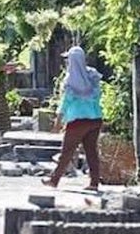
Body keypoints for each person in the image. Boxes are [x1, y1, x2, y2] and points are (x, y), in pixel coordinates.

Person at [44, 44, 103, 190]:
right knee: (91, 152)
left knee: (67, 152)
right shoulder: (93, 75)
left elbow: (65, 103)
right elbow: (97, 95)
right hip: (95, 119)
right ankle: (94, 183)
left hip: (77, 122)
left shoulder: (70, 80)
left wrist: (58, 122)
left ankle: (54, 180)